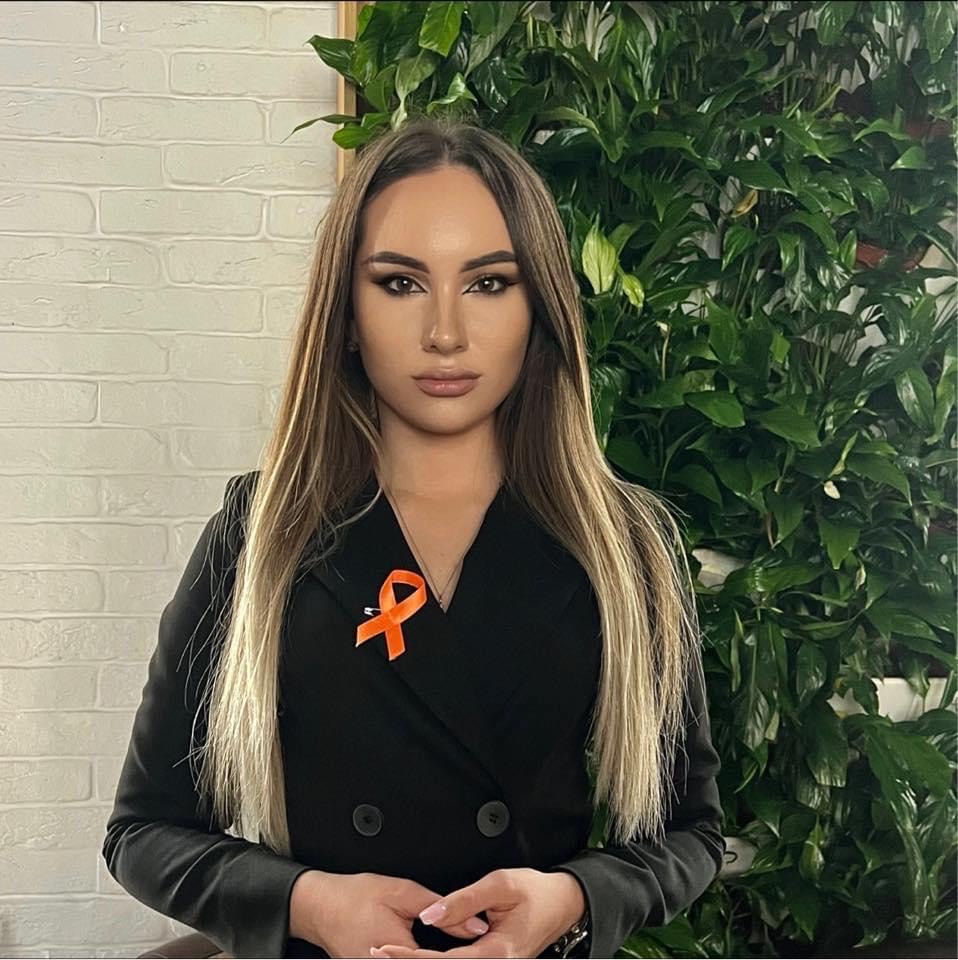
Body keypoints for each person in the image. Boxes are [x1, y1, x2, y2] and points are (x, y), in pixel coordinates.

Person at [101, 116, 726, 960]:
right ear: (347, 313)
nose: (445, 333)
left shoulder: (627, 547)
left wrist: (572, 899)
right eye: (400, 283)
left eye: (489, 283)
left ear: (539, 308)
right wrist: (310, 904)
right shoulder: (260, 536)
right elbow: (143, 831)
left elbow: (691, 832)